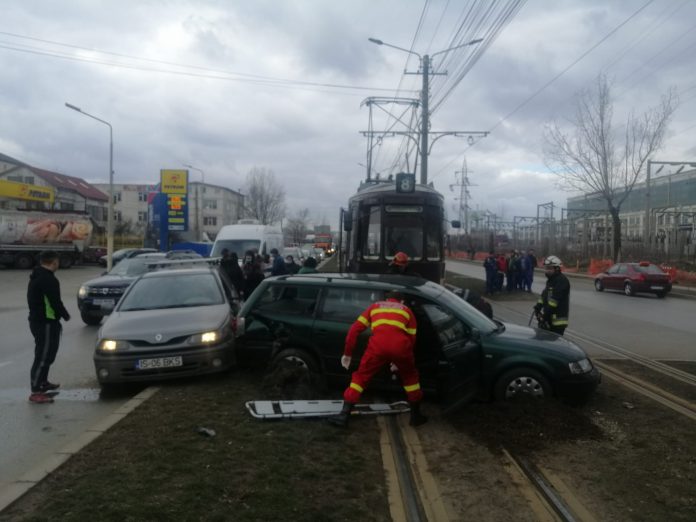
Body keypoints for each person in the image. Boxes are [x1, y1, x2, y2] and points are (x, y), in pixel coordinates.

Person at [328, 290, 427, 428]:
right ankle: (415, 417)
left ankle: (344, 416)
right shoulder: (407, 311)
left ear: (386, 299)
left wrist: (347, 353)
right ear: (402, 301)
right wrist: (399, 359)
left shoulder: (375, 306)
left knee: (361, 378)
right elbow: (411, 338)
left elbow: (354, 330)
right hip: (401, 349)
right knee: (410, 378)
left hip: (377, 348)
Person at [27, 250, 71, 404]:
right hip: (45, 322)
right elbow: (54, 301)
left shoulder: (39, 275)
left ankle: (43, 382)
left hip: (44, 321)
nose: (58, 264)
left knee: (48, 354)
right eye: (57, 261)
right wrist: (65, 315)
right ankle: (36, 391)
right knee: (43, 356)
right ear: (54, 262)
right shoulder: (47, 279)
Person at [533, 255, 570, 336]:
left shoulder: (562, 281)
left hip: (558, 322)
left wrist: (544, 316)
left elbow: (554, 302)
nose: (547, 271)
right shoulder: (551, 280)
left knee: (554, 345)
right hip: (549, 318)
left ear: (557, 269)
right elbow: (544, 295)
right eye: (546, 268)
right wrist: (538, 306)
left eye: (549, 268)